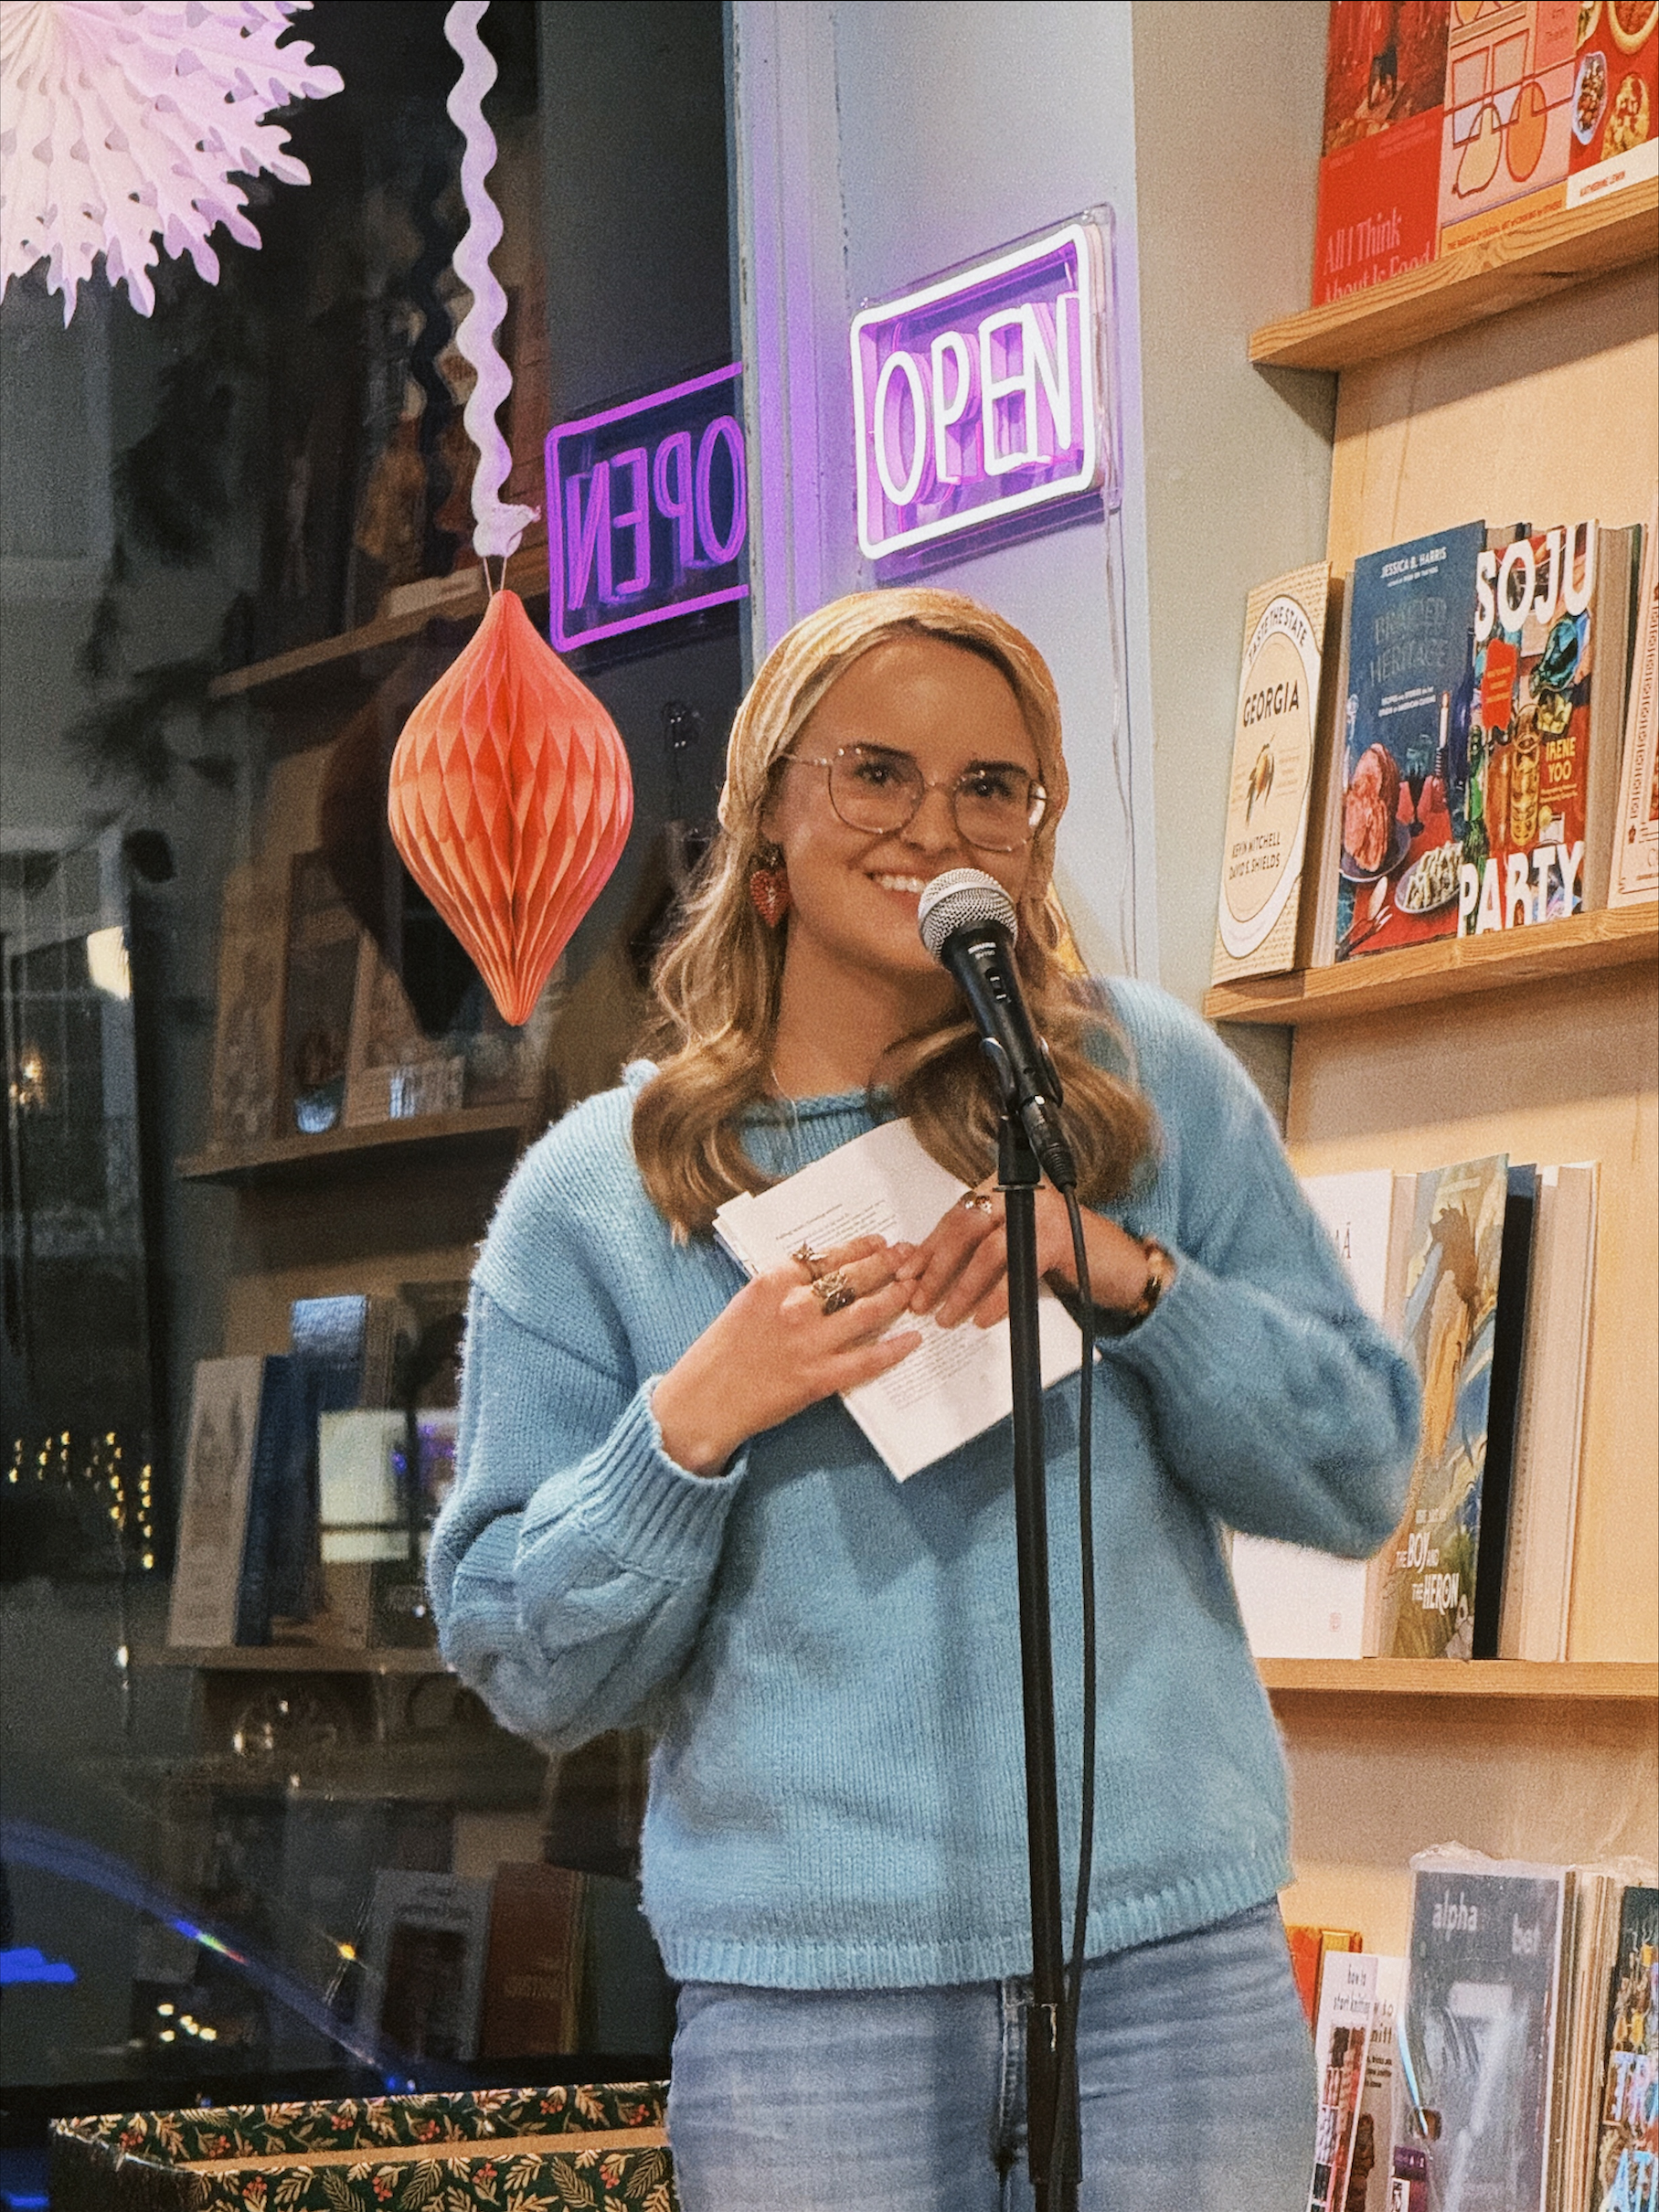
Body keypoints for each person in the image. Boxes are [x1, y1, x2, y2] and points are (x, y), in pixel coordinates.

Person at [430, 588, 1419, 2211]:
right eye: (874, 773)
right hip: (813, 2013)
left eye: (992, 789)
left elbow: (1363, 1463)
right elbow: (523, 1659)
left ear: (1034, 837)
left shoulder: (1142, 1092)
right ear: (766, 824)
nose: (933, 826)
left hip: (1171, 1974)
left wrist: (1133, 1283)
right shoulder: (597, 1202)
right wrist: (691, 1426)